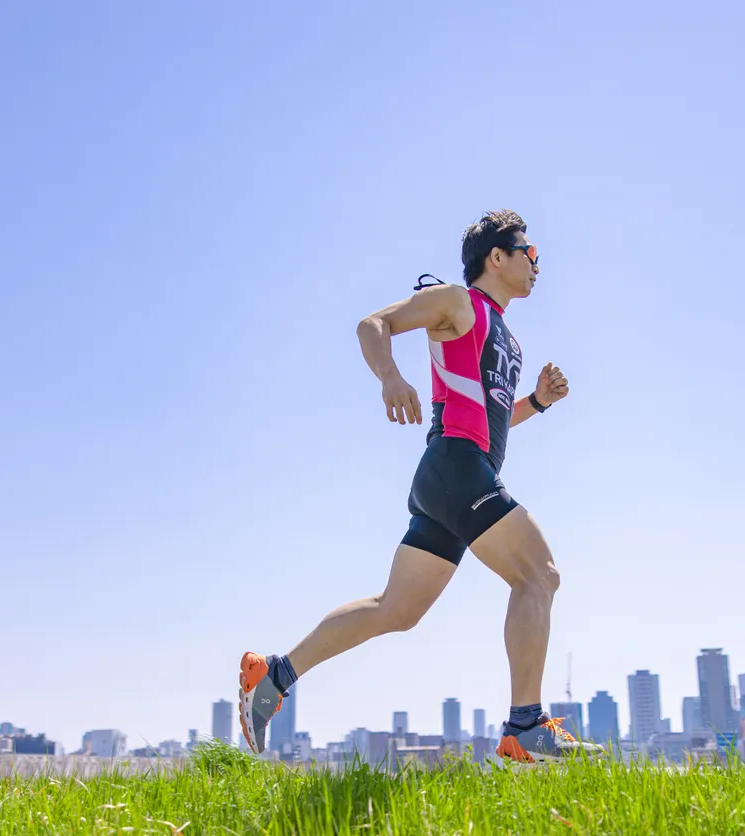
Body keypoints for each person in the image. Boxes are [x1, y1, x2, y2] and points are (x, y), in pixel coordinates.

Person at [238, 209, 600, 763]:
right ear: (495, 258)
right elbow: (372, 324)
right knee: (539, 575)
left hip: (458, 474)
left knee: (396, 610)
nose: (537, 264)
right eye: (529, 252)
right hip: (456, 466)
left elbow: (494, 418)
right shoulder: (458, 302)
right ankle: (525, 726)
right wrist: (390, 376)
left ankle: (273, 676)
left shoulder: (508, 337)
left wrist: (538, 403)